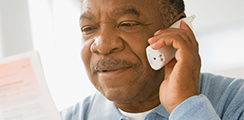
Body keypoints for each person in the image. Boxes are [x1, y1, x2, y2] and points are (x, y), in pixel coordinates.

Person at [61, 0, 244, 119]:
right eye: (88, 29)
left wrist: (186, 104)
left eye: (127, 24)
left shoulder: (237, 101)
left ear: (179, 29)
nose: (102, 45)